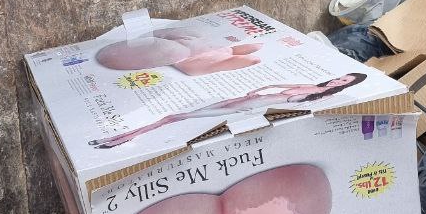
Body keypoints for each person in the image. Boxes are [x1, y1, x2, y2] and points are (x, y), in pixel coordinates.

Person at [89, 73, 366, 149]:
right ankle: (117, 138)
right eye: (341, 78)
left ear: (345, 87)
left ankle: (119, 139)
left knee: (174, 118)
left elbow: (287, 104)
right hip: (245, 102)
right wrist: (257, 91)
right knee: (172, 117)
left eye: (344, 82)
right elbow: (278, 86)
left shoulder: (319, 97)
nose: (338, 81)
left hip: (248, 112)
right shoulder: (312, 86)